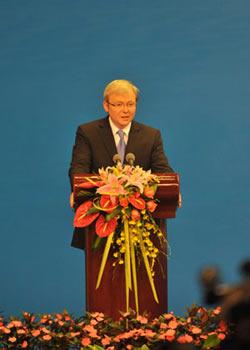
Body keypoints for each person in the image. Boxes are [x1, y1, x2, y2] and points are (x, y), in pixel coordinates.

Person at [69, 79, 174, 250]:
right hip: (100, 223)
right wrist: (76, 190)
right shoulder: (88, 133)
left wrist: (173, 189)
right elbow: (78, 169)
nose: (126, 110)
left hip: (142, 226)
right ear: (106, 105)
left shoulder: (151, 135)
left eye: (130, 104)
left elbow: (162, 170)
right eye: (118, 104)